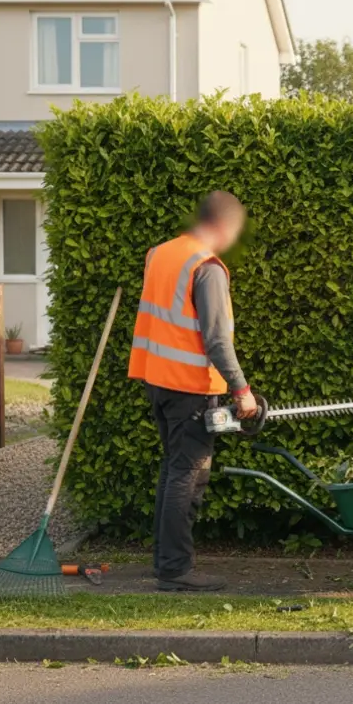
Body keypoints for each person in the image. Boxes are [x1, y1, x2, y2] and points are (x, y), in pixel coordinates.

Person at [128, 190, 257, 591]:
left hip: (159, 382)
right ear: (224, 227)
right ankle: (176, 571)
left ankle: (165, 563)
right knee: (188, 476)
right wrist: (242, 391)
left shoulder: (161, 254)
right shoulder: (207, 267)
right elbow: (217, 340)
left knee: (173, 471)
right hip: (190, 389)